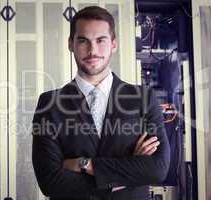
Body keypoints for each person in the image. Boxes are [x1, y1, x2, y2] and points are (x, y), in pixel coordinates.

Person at [32, 6, 170, 200]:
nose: (92, 50)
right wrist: (128, 173)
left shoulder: (144, 99)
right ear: (70, 44)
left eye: (100, 40)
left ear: (114, 44)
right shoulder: (50, 103)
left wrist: (84, 164)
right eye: (83, 41)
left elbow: (157, 169)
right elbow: (50, 181)